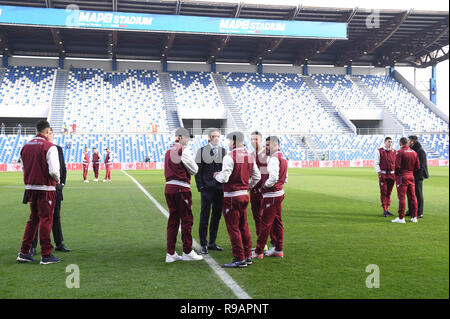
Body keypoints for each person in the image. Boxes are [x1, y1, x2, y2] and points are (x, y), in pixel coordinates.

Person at [16, 120, 61, 265]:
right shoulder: (49, 146)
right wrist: (58, 179)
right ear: (47, 131)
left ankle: (24, 252)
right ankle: (46, 254)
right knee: (46, 220)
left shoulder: (26, 146)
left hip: (30, 188)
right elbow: (54, 170)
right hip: (46, 188)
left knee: (33, 219)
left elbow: (23, 167)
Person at [214, 131, 261, 268]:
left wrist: (216, 175)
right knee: (243, 226)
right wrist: (247, 187)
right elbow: (256, 176)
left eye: (229, 141)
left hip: (232, 196)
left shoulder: (230, 156)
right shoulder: (249, 156)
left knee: (233, 228)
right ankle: (247, 256)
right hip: (244, 195)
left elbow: (224, 178)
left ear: (234, 142)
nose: (228, 143)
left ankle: (239, 257)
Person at [29, 127, 71, 255]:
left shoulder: (57, 149)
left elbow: (63, 168)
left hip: (55, 187)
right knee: (38, 217)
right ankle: (33, 246)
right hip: (43, 188)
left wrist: (61, 183)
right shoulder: (39, 148)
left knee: (56, 216)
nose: (50, 135)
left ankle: (59, 243)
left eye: (52, 133)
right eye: (49, 133)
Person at [164, 128, 203, 263]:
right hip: (181, 187)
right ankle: (187, 251)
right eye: (187, 137)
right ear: (180, 137)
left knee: (173, 220)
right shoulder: (182, 150)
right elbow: (194, 169)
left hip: (169, 187)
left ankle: (170, 252)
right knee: (187, 219)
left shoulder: (169, 150)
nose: (188, 140)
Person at [252, 136, 288, 259]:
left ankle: (258, 251)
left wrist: (264, 187)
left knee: (265, 223)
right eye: (266, 144)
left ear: (275, 145)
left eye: (268, 145)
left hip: (272, 194)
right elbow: (286, 178)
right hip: (279, 193)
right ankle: (279, 249)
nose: (266, 147)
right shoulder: (282, 156)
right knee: (277, 221)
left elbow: (273, 178)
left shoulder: (273, 158)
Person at [195, 128, 226, 254]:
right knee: (205, 216)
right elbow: (197, 171)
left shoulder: (224, 151)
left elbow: (225, 169)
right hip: (207, 189)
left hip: (220, 188)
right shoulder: (202, 151)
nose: (216, 138)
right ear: (209, 138)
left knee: (216, 216)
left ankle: (212, 242)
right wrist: (201, 187)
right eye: (214, 136)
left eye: (218, 136)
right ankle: (203, 243)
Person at [249, 131, 271, 251]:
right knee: (256, 217)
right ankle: (262, 243)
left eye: (256, 139)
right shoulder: (250, 155)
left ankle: (272, 242)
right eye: (251, 139)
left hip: (265, 191)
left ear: (261, 140)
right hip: (254, 191)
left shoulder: (268, 154)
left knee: (267, 217)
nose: (253, 141)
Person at [392, 137, 420, 224]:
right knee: (413, 196)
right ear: (407, 143)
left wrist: (397, 175)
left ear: (400, 143)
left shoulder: (399, 152)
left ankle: (401, 218)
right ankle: (414, 217)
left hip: (402, 176)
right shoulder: (414, 152)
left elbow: (397, 166)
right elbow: (417, 166)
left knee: (402, 197)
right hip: (411, 175)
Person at [405, 135, 429, 219]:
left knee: (418, 193)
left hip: (418, 176)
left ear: (412, 142)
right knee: (410, 193)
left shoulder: (420, 151)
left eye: (408, 141)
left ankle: (419, 212)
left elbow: (422, 166)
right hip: (412, 175)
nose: (407, 142)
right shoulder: (413, 150)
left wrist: (418, 176)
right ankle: (410, 210)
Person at [374, 137, 396, 217]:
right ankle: (385, 209)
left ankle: (387, 208)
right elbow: (376, 163)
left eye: (391, 142)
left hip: (392, 174)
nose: (390, 143)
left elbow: (396, 163)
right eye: (389, 141)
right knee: (383, 192)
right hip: (383, 174)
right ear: (385, 142)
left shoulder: (394, 151)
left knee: (389, 192)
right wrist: (379, 172)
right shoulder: (379, 151)